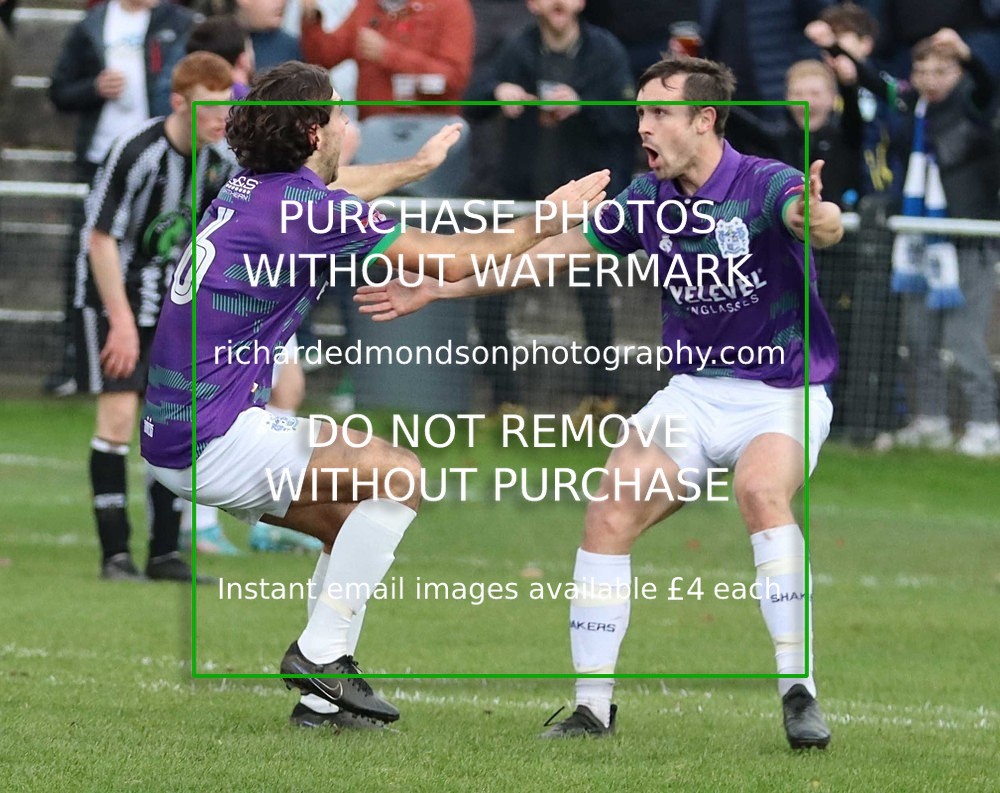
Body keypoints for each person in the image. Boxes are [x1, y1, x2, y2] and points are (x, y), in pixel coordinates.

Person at [356, 55, 844, 748]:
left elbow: (816, 222)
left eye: (660, 113)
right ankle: (592, 708)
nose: (643, 125)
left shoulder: (768, 183)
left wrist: (823, 215)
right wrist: (441, 287)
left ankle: (799, 692)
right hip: (695, 393)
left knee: (761, 490)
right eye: (640, 111)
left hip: (781, 394)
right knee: (609, 509)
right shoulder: (647, 198)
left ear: (704, 120)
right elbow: (547, 255)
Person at [140, 60, 608, 727]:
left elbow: (345, 183)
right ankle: (319, 656)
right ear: (310, 132)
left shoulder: (250, 187)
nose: (348, 124)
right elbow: (449, 257)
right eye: (339, 113)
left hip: (174, 432)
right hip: (210, 436)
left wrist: (411, 169)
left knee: (345, 521)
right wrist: (548, 217)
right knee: (400, 475)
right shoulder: (307, 209)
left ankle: (317, 703)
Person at [75, 52, 236, 582]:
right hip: (113, 299)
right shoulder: (139, 151)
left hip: (173, 313)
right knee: (119, 419)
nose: (221, 121)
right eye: (210, 110)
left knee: (172, 425)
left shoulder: (218, 163)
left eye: (227, 109)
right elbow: (101, 240)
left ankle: (165, 553)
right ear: (178, 103)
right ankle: (115, 555)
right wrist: (119, 320)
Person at [817, 27, 1000, 455]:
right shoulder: (909, 106)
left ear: (958, 73)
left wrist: (967, 54)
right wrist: (835, 48)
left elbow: (989, 85)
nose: (931, 78)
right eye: (922, 69)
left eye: (942, 70)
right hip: (918, 246)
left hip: (965, 242)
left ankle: (987, 424)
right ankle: (931, 421)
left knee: (964, 341)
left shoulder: (973, 104)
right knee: (918, 338)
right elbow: (870, 80)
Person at [465, 0, 634, 415]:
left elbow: (629, 119)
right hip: (524, 197)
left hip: (583, 200)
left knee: (594, 300)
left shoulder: (605, 50)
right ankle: (506, 400)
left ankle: (602, 397)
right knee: (492, 294)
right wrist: (497, 92)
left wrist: (583, 106)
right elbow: (471, 101)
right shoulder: (517, 48)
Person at [46, 0, 197, 397]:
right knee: (91, 254)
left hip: (163, 159)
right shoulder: (92, 24)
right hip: (102, 159)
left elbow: (183, 85)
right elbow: (59, 90)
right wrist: (93, 88)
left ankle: (159, 365)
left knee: (163, 254)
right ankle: (81, 361)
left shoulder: (176, 22)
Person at [300, 0, 474, 119]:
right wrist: (312, 21)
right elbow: (323, 59)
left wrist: (388, 55)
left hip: (431, 132)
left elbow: (454, 79)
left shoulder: (450, 6)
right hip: (374, 135)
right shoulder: (367, 7)